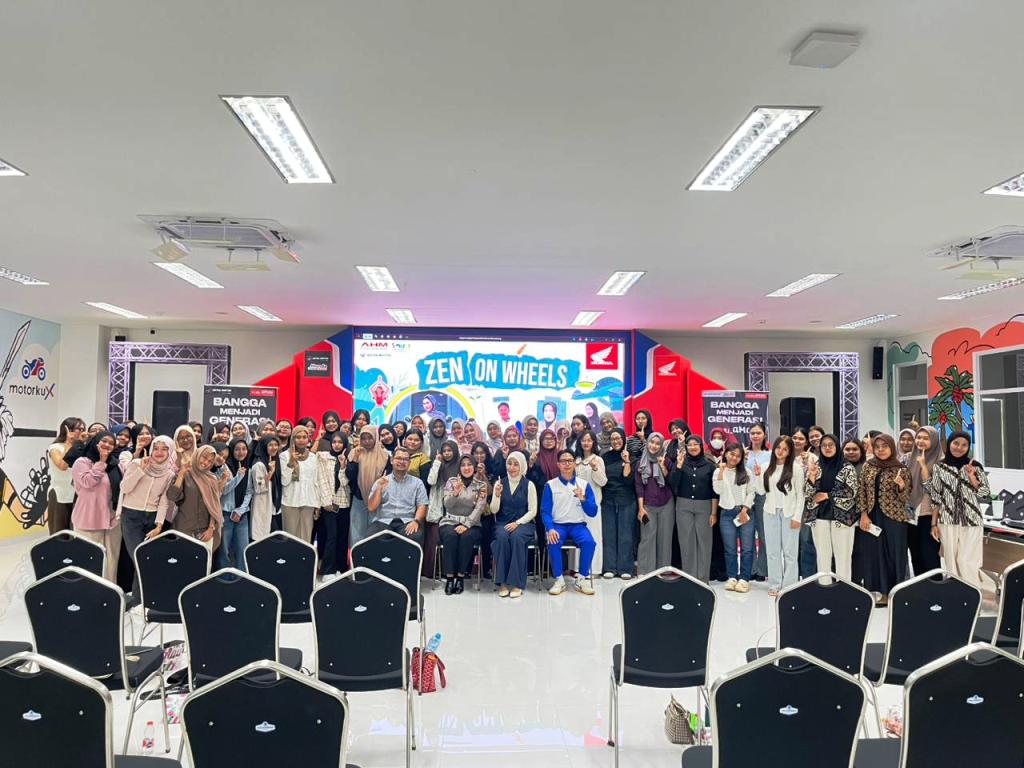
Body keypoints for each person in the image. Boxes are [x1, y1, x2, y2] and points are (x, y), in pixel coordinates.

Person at [854, 434, 912, 606]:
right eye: (877, 446)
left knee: (895, 554)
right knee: (876, 554)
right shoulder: (868, 466)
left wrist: (901, 486)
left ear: (892, 447)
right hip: (873, 516)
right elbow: (861, 491)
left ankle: (897, 592)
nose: (880, 450)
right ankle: (882, 592)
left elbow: (906, 497)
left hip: (895, 518)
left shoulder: (901, 468)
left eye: (884, 446)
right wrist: (863, 514)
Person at [927, 431, 990, 588]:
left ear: (968, 447)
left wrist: (972, 478)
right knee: (951, 561)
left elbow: (985, 494)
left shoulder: (975, 466)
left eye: (964, 445)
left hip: (972, 520)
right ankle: (956, 593)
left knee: (968, 561)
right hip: (947, 520)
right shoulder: (939, 467)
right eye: (956, 443)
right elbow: (936, 496)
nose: (959, 447)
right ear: (949, 444)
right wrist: (933, 524)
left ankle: (973, 594)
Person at [118, 435, 176, 604]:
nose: (159, 452)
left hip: (151, 518)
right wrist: (141, 471)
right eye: (156, 448)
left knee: (146, 557)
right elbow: (124, 488)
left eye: (164, 449)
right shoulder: (137, 464)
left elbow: (164, 501)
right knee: (139, 557)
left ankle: (139, 599)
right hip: (131, 516)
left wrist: (159, 525)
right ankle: (138, 599)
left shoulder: (169, 474)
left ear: (170, 452)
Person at [541, 449, 598, 596]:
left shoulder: (584, 485)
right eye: (563, 461)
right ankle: (559, 580)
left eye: (570, 461)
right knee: (553, 541)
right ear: (558, 464)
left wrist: (583, 498)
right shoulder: (550, 485)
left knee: (589, 543)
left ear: (574, 464)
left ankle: (581, 579)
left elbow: (593, 512)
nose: (567, 464)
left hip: (578, 525)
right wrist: (550, 528)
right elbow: (545, 511)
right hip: (558, 525)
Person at [804, 434, 858, 581]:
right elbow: (807, 493)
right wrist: (811, 477)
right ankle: (825, 587)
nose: (827, 448)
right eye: (824, 445)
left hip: (842, 517)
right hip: (819, 515)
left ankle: (843, 589)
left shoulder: (847, 467)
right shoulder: (816, 466)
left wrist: (827, 495)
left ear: (837, 446)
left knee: (843, 557)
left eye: (831, 445)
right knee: (822, 557)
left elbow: (851, 491)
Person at [756, 436, 806, 596]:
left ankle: (789, 585)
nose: (780, 451)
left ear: (790, 451)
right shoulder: (766, 466)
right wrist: (757, 476)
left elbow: (801, 495)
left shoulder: (796, 468)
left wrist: (797, 517)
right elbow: (761, 491)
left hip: (789, 513)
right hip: (770, 512)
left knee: (790, 552)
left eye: (785, 449)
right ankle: (775, 584)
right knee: (772, 551)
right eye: (778, 447)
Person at [71, 431, 124, 582]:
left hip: (112, 519)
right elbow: (88, 482)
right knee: (90, 559)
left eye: (111, 443)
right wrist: (101, 461)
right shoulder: (82, 462)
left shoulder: (115, 465)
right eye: (104, 441)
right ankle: (89, 590)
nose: (107, 445)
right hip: (89, 518)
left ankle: (109, 591)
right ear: (96, 442)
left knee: (112, 560)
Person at [668, 435, 717, 583]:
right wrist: (678, 466)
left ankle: (702, 579)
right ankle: (689, 577)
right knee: (686, 541)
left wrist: (713, 513)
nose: (693, 447)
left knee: (704, 542)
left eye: (696, 444)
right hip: (683, 506)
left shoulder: (709, 465)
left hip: (704, 506)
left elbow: (714, 491)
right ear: (686, 447)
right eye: (689, 445)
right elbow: (673, 483)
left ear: (701, 446)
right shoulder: (681, 463)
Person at [490, 452, 537, 598]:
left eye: (516, 464)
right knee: (502, 537)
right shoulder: (499, 483)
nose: (512, 467)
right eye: (509, 463)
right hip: (503, 522)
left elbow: (533, 511)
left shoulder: (529, 485)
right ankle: (502, 582)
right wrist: (497, 495)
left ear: (522, 466)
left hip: (524, 523)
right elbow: (493, 510)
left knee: (517, 537)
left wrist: (518, 523)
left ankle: (517, 583)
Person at [439, 456, 487, 594]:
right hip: (450, 521)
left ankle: (460, 577)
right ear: (459, 468)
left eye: (469, 465)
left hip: (472, 523)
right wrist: (455, 493)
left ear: (474, 467)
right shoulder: (451, 482)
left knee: (467, 537)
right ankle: (449, 578)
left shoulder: (480, 485)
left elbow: (479, 508)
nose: (466, 468)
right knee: (450, 536)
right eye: (463, 465)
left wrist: (466, 524)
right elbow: (447, 505)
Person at [367, 447, 429, 547]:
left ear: (409, 463)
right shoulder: (381, 481)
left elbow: (422, 505)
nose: (402, 461)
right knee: (372, 536)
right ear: (392, 460)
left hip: (407, 521)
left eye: (405, 459)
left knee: (415, 536)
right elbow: (371, 508)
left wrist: (416, 521)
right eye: (398, 458)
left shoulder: (417, 483)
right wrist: (379, 488)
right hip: (383, 521)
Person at [166, 444, 224, 550]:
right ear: (198, 454)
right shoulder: (185, 473)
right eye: (204, 457)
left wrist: (211, 528)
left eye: (210, 461)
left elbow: (215, 505)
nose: (206, 463)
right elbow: (172, 496)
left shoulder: (212, 479)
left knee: (202, 560)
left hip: (204, 532)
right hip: (184, 530)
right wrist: (182, 473)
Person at [635, 432, 674, 575]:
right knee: (647, 538)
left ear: (661, 446)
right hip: (647, 505)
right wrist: (641, 508)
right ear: (647, 443)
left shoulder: (666, 460)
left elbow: (673, 481)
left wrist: (663, 467)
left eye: (658, 444)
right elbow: (639, 486)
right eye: (652, 442)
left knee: (665, 538)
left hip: (666, 504)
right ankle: (645, 571)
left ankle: (663, 571)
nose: (654, 446)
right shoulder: (640, 462)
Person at [346, 425, 391, 546]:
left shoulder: (385, 455)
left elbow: (388, 478)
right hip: (359, 498)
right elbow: (349, 476)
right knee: (357, 531)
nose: (367, 441)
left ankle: (372, 557)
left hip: (377, 499)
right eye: (364, 438)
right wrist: (355, 460)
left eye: (370, 438)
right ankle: (357, 556)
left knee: (374, 531)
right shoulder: (355, 453)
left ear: (376, 437)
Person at [315, 431, 352, 579]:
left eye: (340, 442)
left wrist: (343, 466)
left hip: (344, 503)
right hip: (329, 503)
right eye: (334, 442)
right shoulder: (322, 457)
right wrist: (326, 501)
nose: (337, 445)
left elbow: (344, 482)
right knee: (331, 536)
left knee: (342, 537)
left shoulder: (348, 458)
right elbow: (321, 479)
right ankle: (327, 570)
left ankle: (340, 568)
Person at [906, 426, 942, 575]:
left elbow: (934, 491)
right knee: (916, 556)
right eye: (919, 437)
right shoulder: (909, 458)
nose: (921, 441)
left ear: (933, 441)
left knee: (930, 556)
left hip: (929, 516)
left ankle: (934, 587)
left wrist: (923, 465)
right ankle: (919, 586)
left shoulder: (940, 462)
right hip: (910, 515)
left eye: (926, 438)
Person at [426, 439, 462, 574]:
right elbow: (431, 481)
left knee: (454, 537)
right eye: (444, 451)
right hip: (439, 508)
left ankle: (454, 569)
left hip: (457, 508)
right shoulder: (438, 465)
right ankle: (437, 570)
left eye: (449, 450)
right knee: (437, 538)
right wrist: (436, 463)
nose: (447, 453)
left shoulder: (460, 466)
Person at [574, 430, 607, 575]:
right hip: (576, 505)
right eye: (583, 440)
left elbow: (603, 482)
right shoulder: (576, 460)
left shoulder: (597, 460)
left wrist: (595, 469)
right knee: (578, 536)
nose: (586, 443)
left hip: (592, 505)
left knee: (593, 536)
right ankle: (578, 568)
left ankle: (594, 569)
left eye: (589, 440)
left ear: (593, 442)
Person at [279, 425, 319, 543]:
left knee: (306, 537)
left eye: (304, 437)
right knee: (290, 537)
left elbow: (316, 482)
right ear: (293, 438)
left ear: (308, 439)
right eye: (298, 437)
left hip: (308, 502)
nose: (301, 440)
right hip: (290, 501)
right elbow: (284, 481)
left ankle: (305, 556)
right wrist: (291, 463)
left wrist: (317, 504)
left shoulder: (313, 457)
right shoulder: (284, 456)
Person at [218, 437, 252, 571]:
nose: (241, 452)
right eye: (237, 449)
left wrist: (240, 510)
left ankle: (242, 578)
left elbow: (249, 491)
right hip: (225, 514)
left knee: (243, 549)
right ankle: (224, 577)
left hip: (241, 515)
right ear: (232, 450)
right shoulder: (223, 467)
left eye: (244, 449)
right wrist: (238, 477)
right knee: (224, 550)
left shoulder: (247, 467)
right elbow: (224, 490)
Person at [46, 417, 84, 533]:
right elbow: (62, 465)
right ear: (68, 429)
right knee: (59, 531)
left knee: (76, 532)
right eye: (78, 429)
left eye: (83, 429)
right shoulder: (55, 447)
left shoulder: (81, 447)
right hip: (60, 493)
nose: (81, 432)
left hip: (77, 494)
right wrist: (69, 442)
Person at [791, 426, 819, 579]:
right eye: (795, 438)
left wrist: (807, 464)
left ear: (806, 441)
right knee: (792, 542)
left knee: (807, 541)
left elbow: (815, 480)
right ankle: (793, 576)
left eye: (801, 438)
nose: (797, 441)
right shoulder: (785, 456)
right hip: (790, 504)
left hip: (808, 505)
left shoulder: (812, 458)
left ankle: (808, 576)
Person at [745, 422, 771, 582]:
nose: (755, 436)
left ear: (764, 435)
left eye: (758, 433)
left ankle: (762, 569)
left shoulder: (769, 455)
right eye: (752, 433)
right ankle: (751, 568)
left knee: (763, 533)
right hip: (746, 497)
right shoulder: (744, 453)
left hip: (762, 496)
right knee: (747, 534)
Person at [250, 435, 282, 540]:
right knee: (261, 538)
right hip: (262, 505)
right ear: (264, 446)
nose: (274, 447)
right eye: (270, 445)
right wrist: (271, 472)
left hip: (273, 507)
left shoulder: (273, 461)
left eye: (276, 445)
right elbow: (259, 488)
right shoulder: (259, 465)